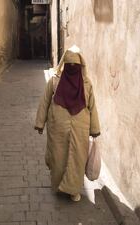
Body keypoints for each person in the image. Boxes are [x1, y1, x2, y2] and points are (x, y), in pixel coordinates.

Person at [34, 46, 101, 202]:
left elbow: (92, 107)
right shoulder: (55, 81)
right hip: (58, 129)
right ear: (64, 65)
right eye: (69, 65)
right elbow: (44, 102)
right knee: (58, 158)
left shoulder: (86, 84)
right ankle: (59, 185)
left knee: (77, 159)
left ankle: (74, 190)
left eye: (75, 66)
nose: (72, 68)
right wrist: (40, 123)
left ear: (80, 67)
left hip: (80, 130)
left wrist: (95, 129)